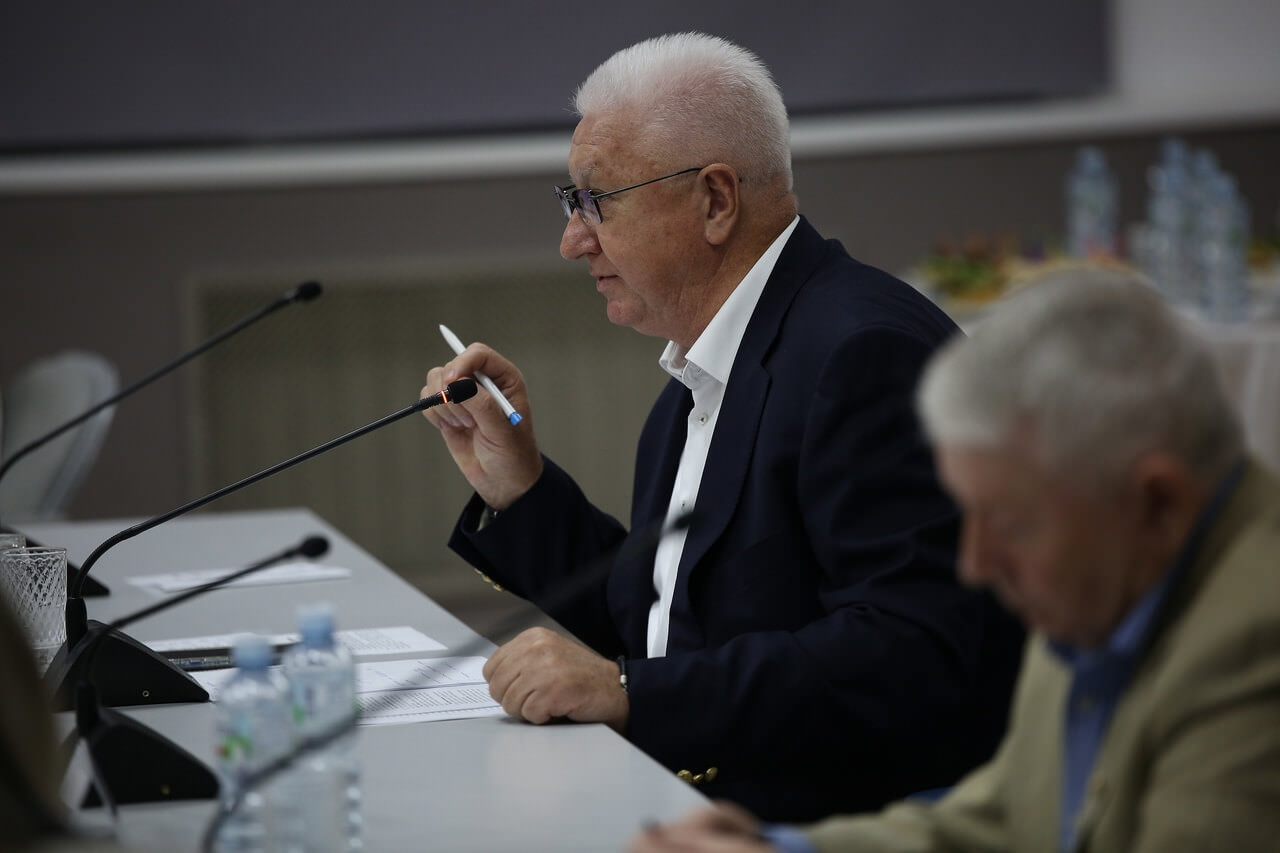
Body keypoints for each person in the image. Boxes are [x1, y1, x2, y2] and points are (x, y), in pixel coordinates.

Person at [420, 32, 1022, 822]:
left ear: (715, 200)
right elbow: (666, 621)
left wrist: (631, 691)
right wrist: (521, 487)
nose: (572, 241)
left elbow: (908, 652)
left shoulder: (862, 354)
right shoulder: (711, 366)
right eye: (571, 203)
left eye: (596, 201)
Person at [630, 268, 1280, 852]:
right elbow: (1003, 819)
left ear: (1158, 503)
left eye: (1011, 524)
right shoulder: (1096, 586)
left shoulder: (1252, 645)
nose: (974, 565)